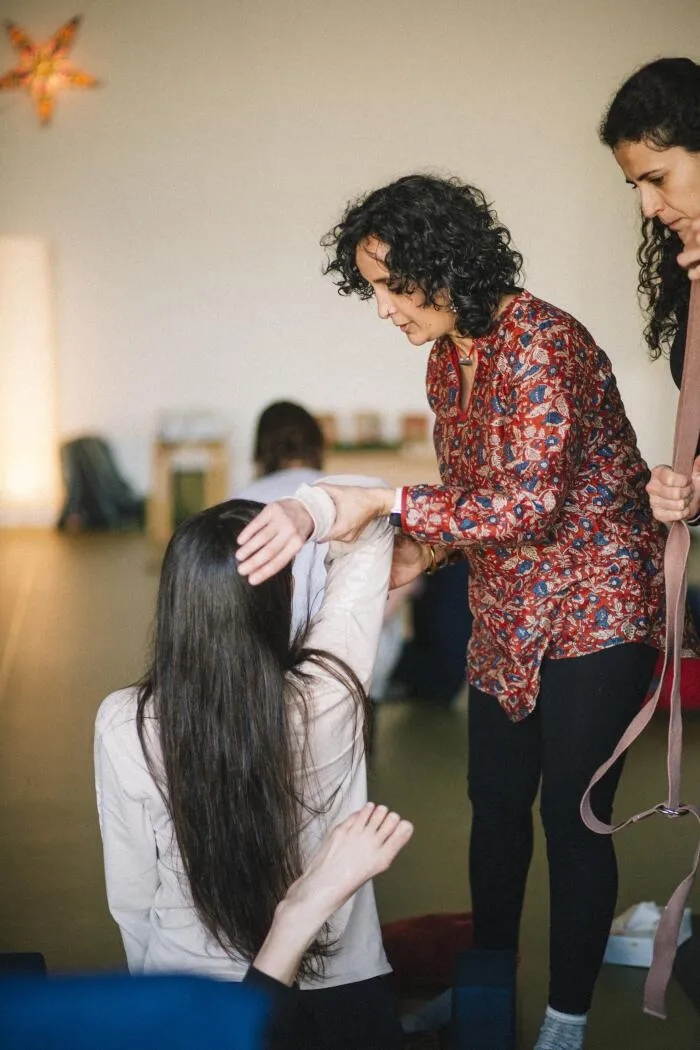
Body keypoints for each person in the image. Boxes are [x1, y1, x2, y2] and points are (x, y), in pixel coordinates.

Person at [235, 173, 667, 1050]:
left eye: (393, 284)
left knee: (572, 824)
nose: (384, 307)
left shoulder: (544, 342)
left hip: (598, 609)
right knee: (495, 810)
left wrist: (388, 502)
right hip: (508, 609)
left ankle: (565, 1021)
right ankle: (485, 996)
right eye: (374, 289)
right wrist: (421, 550)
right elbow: (476, 498)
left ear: (445, 264)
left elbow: (533, 503)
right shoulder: (449, 360)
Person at [94, 492, 405, 1050]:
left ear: (175, 602)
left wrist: (155, 1002)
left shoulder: (127, 722)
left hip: (190, 990)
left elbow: (132, 890)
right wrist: (307, 512)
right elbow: (374, 530)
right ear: (275, 599)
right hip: (340, 992)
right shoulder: (330, 694)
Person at [237, 399, 415, 698]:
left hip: (266, 663)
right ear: (318, 444)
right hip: (355, 660)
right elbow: (404, 581)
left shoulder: (238, 502)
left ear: (259, 450)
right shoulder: (366, 491)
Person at [599, 57, 700, 527]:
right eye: (635, 186)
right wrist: (690, 490)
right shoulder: (691, 282)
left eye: (657, 179)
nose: (648, 207)